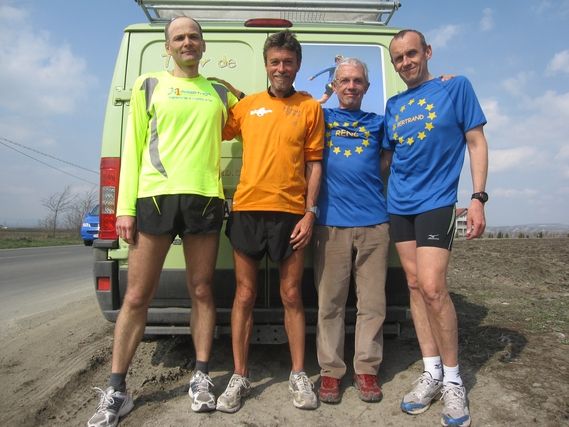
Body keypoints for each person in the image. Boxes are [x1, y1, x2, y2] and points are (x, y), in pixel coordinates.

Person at [87, 16, 239, 426]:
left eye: (194, 36)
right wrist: (124, 209)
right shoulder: (148, 84)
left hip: (205, 198)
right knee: (137, 295)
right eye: (179, 37)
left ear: (203, 45)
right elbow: (132, 146)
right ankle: (117, 390)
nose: (188, 42)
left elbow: (263, 115)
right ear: (168, 47)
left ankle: (201, 377)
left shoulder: (220, 92)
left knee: (202, 290)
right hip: (154, 198)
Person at [214, 30, 325, 413]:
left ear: (297, 66)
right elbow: (214, 128)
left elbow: (315, 164)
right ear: (266, 65)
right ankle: (239, 375)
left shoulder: (309, 107)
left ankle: (298, 374)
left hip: (291, 214)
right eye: (275, 61)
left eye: (288, 62)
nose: (281, 68)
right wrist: (219, 91)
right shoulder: (247, 106)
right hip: (247, 210)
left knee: (291, 294)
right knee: (244, 295)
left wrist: (310, 213)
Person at [382, 29, 488, 427]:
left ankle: (454, 380)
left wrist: (478, 197)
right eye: (398, 58)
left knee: (433, 287)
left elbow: (476, 141)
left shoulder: (455, 87)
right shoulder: (393, 105)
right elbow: (386, 160)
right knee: (413, 286)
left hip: (437, 202)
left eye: (411, 53)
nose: (405, 62)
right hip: (399, 205)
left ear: (427, 52)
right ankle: (431, 372)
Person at [313, 57, 390, 404]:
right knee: (330, 303)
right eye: (344, 80)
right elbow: (296, 111)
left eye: (357, 81)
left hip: (374, 223)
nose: (351, 86)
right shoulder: (322, 118)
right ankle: (331, 372)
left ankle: (366, 370)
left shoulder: (378, 123)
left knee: (372, 303)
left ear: (366, 87)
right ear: (335, 85)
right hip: (330, 224)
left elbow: (387, 161)